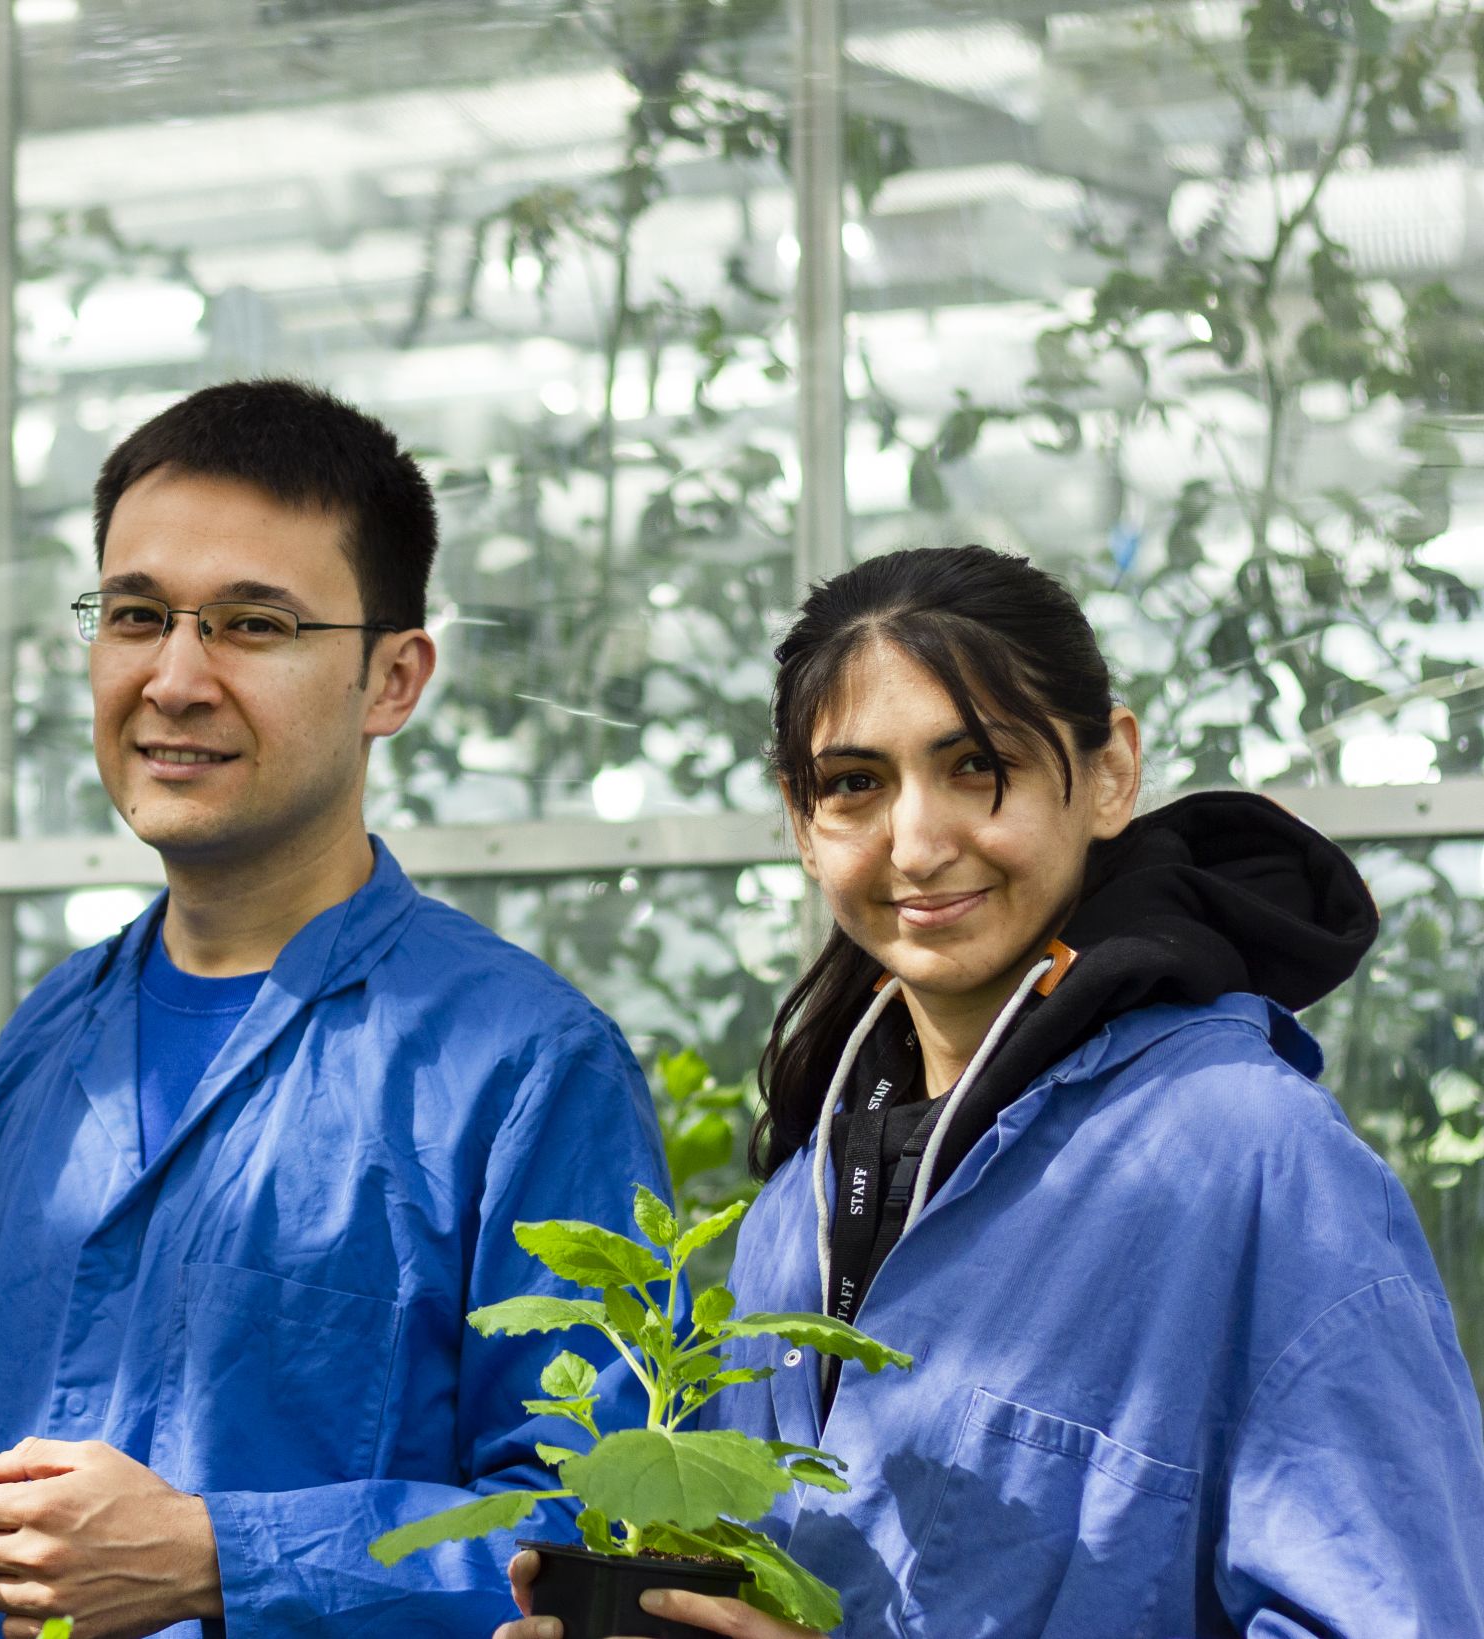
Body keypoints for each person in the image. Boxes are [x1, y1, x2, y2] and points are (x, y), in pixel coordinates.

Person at [494, 544, 1484, 1638]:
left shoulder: (1252, 1159)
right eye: (856, 784)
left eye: (977, 765)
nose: (917, 844)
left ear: (1109, 770)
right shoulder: (799, 1207)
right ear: (800, 821)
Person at [0, 378, 671, 1639]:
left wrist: (224, 1557)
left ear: (392, 678)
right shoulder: (45, 1043)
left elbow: (600, 1529)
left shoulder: (523, 1068)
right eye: (136, 614)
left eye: (253, 624)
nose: (174, 677)